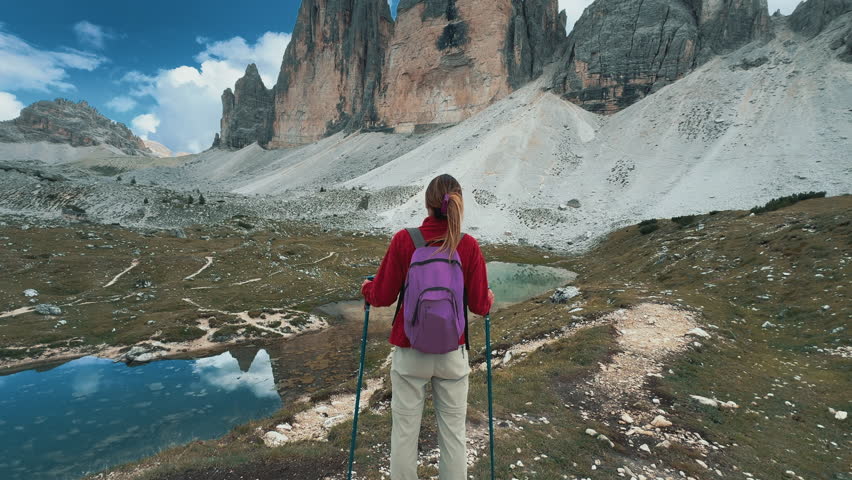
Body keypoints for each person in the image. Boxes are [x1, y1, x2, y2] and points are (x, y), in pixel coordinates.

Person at [362, 173, 494, 479]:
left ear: (428, 203)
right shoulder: (468, 246)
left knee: (405, 434)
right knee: (453, 434)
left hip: (410, 351)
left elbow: (381, 296)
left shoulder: (405, 240)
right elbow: (478, 305)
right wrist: (489, 297)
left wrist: (365, 288)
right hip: (452, 352)